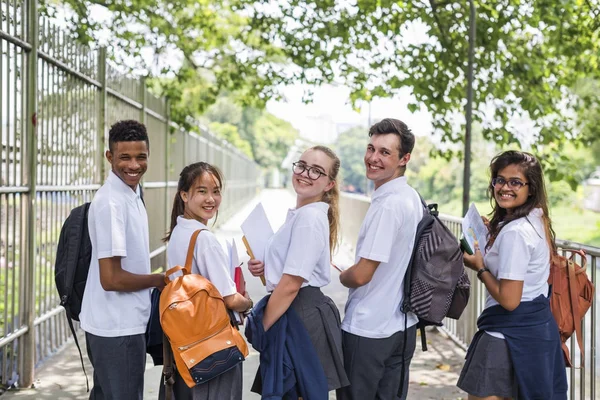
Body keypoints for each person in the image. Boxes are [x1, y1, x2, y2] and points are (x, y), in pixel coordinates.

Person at [457, 150, 567, 400]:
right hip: (535, 334)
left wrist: (480, 267)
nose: (505, 187)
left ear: (531, 187)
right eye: (500, 180)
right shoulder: (535, 218)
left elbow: (509, 300)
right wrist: (492, 233)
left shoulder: (516, 233)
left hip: (504, 337)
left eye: (515, 182)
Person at [248, 145, 350, 396]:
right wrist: (268, 266)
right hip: (296, 311)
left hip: (299, 315)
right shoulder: (302, 214)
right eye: (302, 166)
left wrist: (263, 326)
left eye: (317, 171)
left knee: (297, 391)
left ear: (329, 184)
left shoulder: (309, 218)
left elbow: (292, 283)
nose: (305, 173)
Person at [80, 120, 166, 400]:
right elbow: (112, 278)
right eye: (124, 157)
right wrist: (159, 280)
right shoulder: (111, 203)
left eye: (141, 157)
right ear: (109, 157)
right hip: (117, 328)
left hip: (120, 324)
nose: (133, 165)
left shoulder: (131, 194)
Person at [338, 118, 423, 400]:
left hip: (368, 330)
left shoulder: (388, 205)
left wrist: (341, 274)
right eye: (371, 148)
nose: (373, 158)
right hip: (403, 326)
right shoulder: (412, 197)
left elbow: (362, 274)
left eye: (385, 152)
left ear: (404, 159)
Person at [162, 161, 253, 400]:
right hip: (213, 347)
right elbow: (230, 299)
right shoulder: (204, 239)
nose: (210, 199)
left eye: (215, 191)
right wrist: (249, 302)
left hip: (185, 343)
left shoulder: (178, 232)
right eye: (202, 191)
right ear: (184, 195)